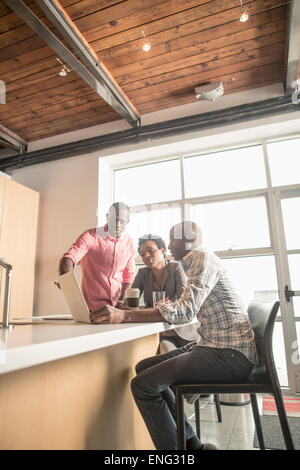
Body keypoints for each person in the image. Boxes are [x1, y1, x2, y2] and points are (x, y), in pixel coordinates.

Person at [91, 221, 258, 451]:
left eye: (172, 240)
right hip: (214, 346)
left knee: (142, 386)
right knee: (143, 368)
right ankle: (192, 445)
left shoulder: (200, 258)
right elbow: (183, 306)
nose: (169, 246)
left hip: (228, 354)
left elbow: (185, 310)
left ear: (189, 237)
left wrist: (124, 317)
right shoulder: (193, 262)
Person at [57, 202, 136, 312]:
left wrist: (120, 301)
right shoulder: (91, 236)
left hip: (116, 310)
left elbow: (129, 276)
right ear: (107, 217)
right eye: (113, 219)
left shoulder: (129, 243)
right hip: (91, 310)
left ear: (128, 221)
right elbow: (69, 258)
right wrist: (65, 279)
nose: (117, 225)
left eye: (122, 221)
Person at [131, 234, 200, 353]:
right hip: (163, 333)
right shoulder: (142, 273)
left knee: (190, 360)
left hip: (185, 330)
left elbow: (182, 303)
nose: (146, 256)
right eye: (142, 254)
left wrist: (156, 308)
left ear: (162, 251)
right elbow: (132, 303)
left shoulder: (176, 267)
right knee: (168, 356)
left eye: (150, 251)